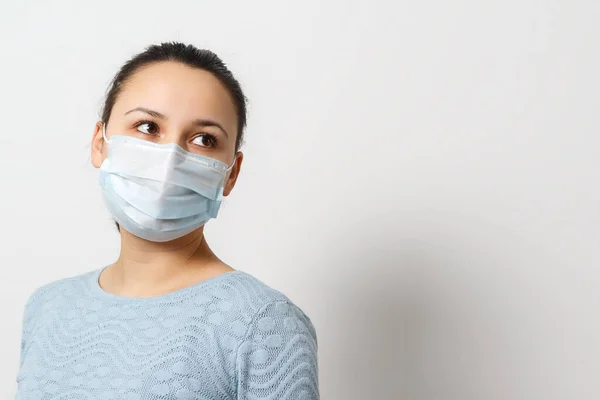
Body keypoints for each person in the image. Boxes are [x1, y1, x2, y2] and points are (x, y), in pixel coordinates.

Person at [15, 42, 319, 399]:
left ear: (231, 173)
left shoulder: (263, 323)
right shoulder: (48, 307)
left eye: (204, 139)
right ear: (100, 143)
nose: (170, 158)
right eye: (147, 127)